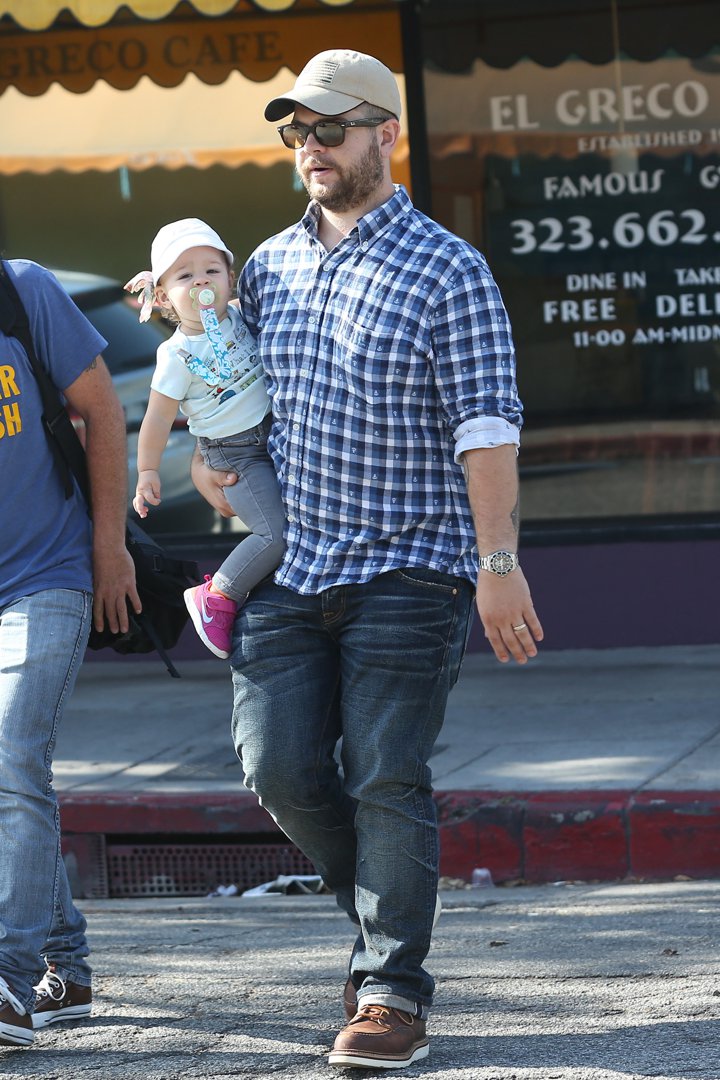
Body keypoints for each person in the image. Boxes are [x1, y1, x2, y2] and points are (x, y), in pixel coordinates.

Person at [192, 49, 543, 1070]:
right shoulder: (267, 264)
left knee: (386, 775)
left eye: (331, 128)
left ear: (387, 133)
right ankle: (387, 916)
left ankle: (391, 990)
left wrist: (498, 560)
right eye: (296, 129)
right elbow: (234, 401)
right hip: (292, 568)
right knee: (278, 767)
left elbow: (486, 429)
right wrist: (215, 455)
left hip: (412, 566)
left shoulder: (448, 267)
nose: (311, 146)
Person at [0, 259, 139, 1047]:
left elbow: (101, 411)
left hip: (46, 574)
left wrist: (108, 545)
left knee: (14, 750)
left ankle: (8, 981)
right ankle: (69, 964)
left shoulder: (22, 290)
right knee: (8, 766)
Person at [127, 218, 285, 659]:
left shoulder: (237, 317)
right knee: (274, 535)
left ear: (229, 279)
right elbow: (157, 419)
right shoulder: (175, 354)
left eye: (211, 270)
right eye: (184, 275)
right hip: (235, 454)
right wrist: (147, 471)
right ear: (162, 297)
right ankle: (218, 593)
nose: (200, 280)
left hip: (275, 435)